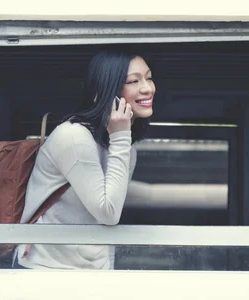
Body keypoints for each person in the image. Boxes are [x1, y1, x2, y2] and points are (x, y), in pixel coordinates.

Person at [13, 49, 156, 270]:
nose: (147, 88)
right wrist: (120, 137)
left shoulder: (124, 145)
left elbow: (107, 221)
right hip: (45, 271)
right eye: (134, 81)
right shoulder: (73, 137)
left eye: (149, 77)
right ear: (108, 89)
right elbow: (108, 213)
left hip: (92, 274)